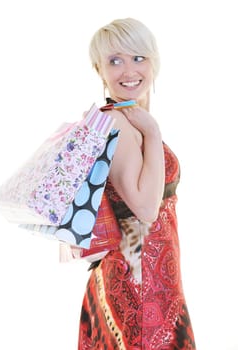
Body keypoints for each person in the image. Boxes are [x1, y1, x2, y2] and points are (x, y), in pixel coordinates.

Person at [77, 17, 196, 349]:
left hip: (153, 279)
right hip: (137, 284)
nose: (128, 70)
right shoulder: (117, 122)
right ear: (100, 70)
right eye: (115, 61)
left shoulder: (129, 119)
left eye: (138, 57)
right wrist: (153, 132)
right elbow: (145, 209)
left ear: (153, 62)